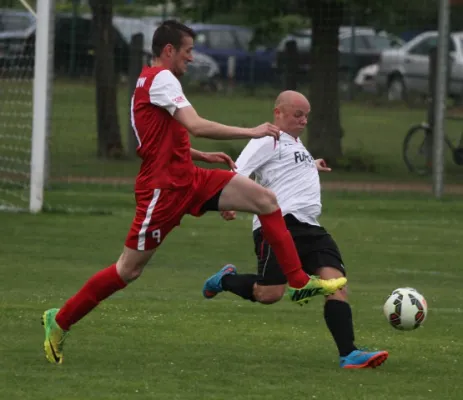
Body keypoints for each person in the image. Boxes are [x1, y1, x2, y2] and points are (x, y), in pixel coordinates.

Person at [41, 22, 347, 365]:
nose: (191, 57)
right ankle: (61, 319)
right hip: (163, 190)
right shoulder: (162, 79)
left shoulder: (148, 79)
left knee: (265, 200)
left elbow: (155, 137)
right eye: (187, 51)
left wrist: (199, 155)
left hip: (188, 177)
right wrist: (252, 130)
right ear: (169, 50)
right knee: (128, 270)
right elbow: (196, 126)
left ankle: (299, 281)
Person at [202, 90, 388, 369]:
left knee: (336, 285)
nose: (304, 121)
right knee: (270, 294)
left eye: (306, 116)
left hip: (312, 228)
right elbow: (237, 170)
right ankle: (225, 280)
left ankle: (349, 353)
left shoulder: (296, 144)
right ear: (278, 113)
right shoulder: (267, 138)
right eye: (298, 114)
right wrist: (227, 202)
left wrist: (312, 165)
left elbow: (286, 170)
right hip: (279, 225)